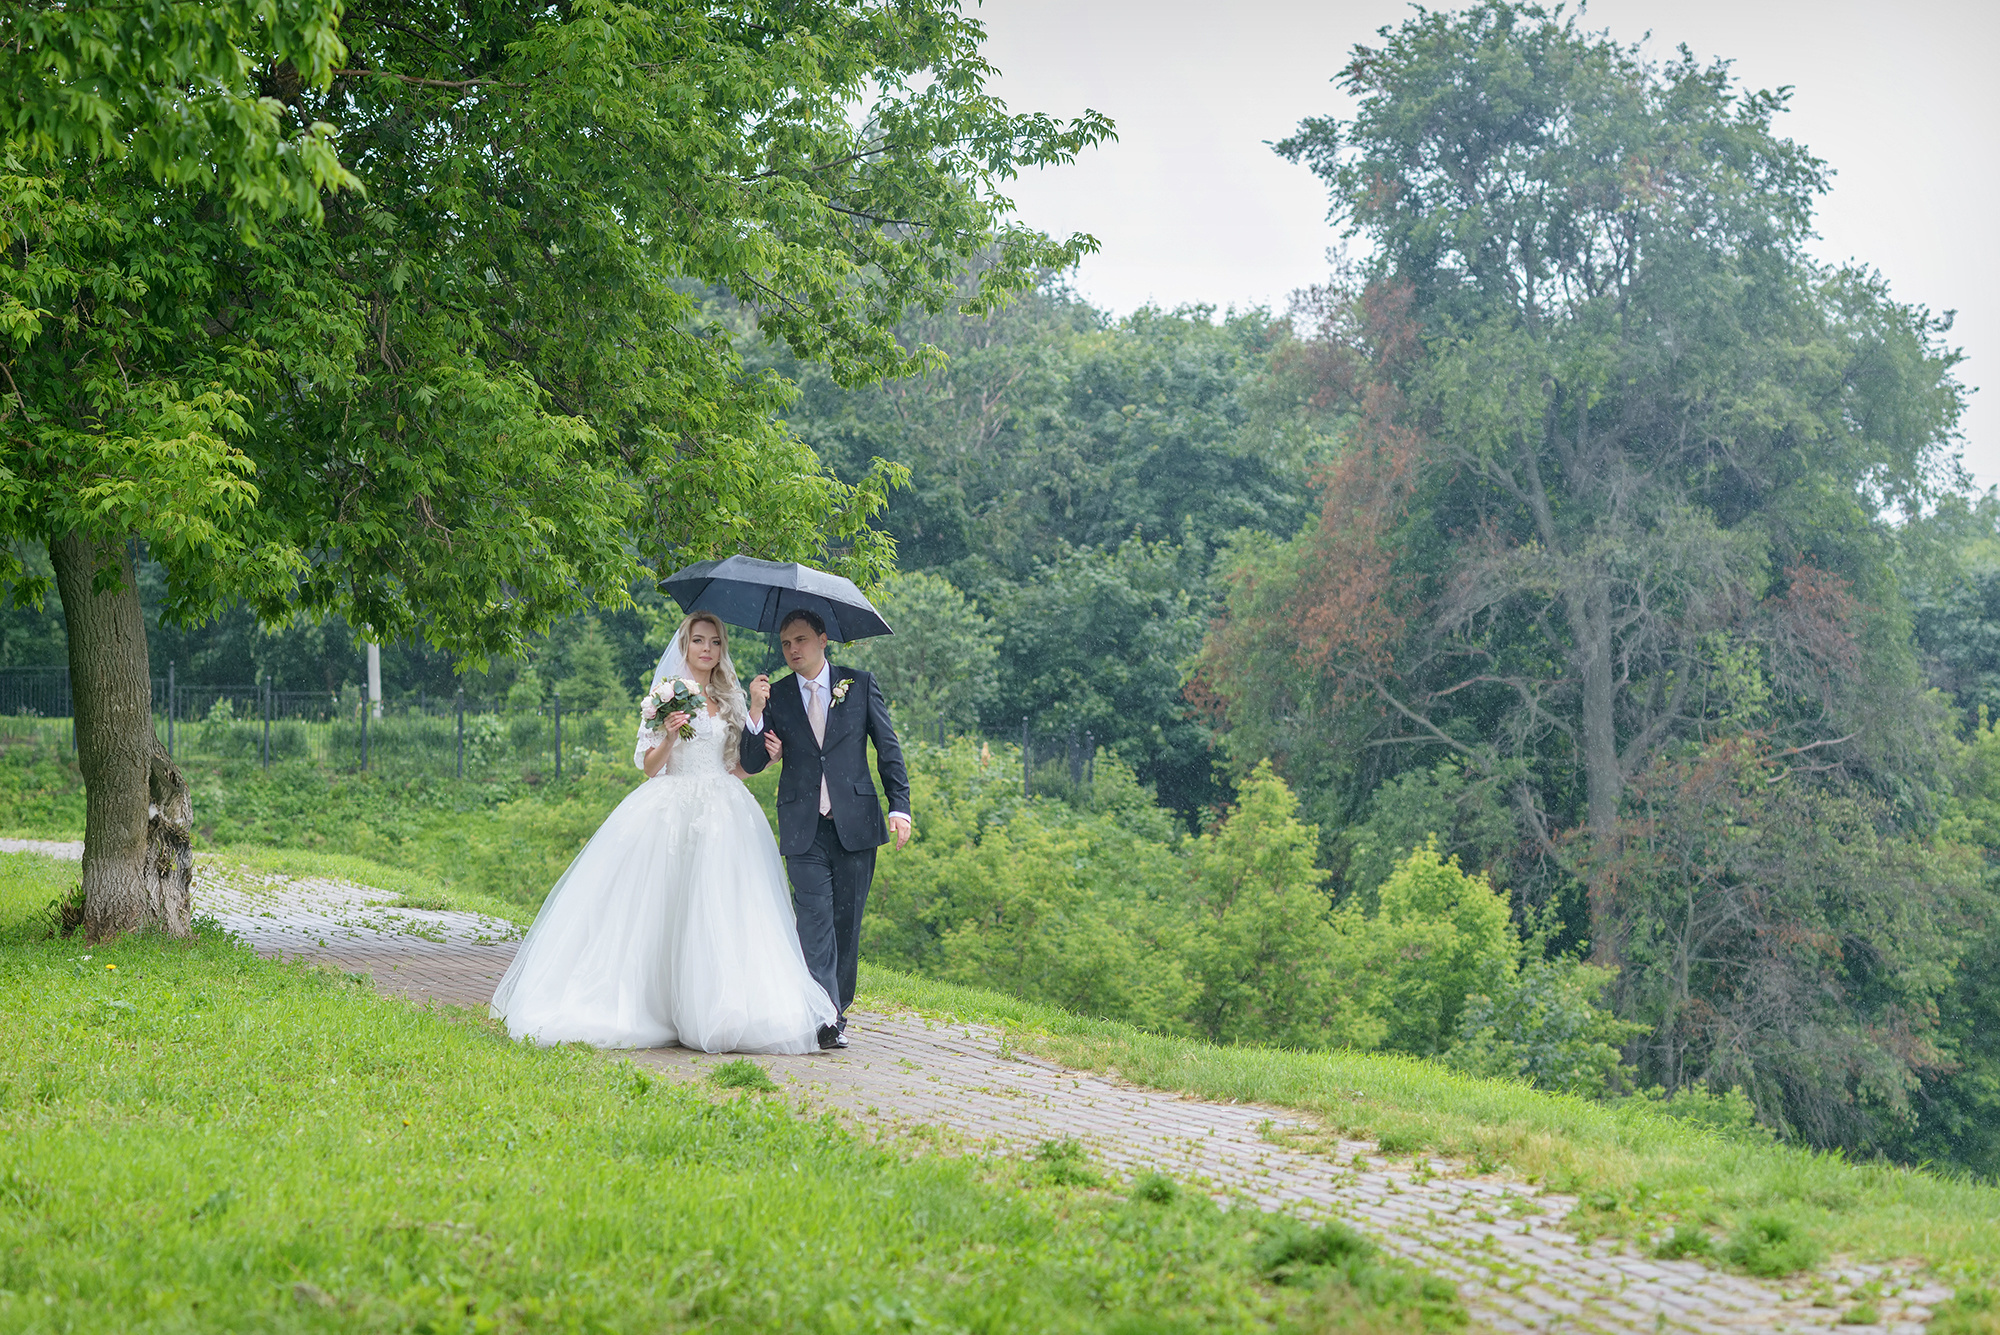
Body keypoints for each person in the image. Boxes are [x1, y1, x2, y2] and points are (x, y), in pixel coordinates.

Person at [488, 613, 836, 1053]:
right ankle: (655, 1005)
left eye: (714, 641)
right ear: (685, 646)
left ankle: (713, 1006)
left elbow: (735, 767)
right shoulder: (665, 697)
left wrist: (767, 752)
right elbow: (650, 768)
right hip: (671, 807)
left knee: (719, 907)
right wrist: (670, 736)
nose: (706, 649)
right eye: (698, 640)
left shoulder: (728, 698)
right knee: (662, 907)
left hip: (723, 809)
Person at [740, 608, 912, 1050]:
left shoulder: (859, 683)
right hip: (803, 827)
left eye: (800, 640)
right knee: (813, 921)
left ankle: (837, 1008)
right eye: (785, 644)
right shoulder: (775, 696)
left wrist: (901, 807)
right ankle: (824, 1018)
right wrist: (756, 713)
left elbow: (887, 747)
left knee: (845, 925)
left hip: (855, 824)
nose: (792, 650)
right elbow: (754, 761)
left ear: (822, 640)